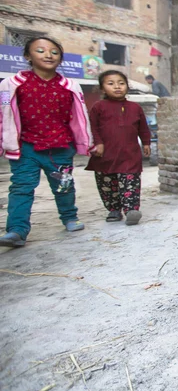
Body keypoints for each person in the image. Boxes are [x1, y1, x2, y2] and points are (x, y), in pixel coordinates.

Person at [0, 37, 93, 247]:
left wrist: (85, 142)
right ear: (27, 56)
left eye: (54, 52)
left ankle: (69, 217)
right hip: (26, 147)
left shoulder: (69, 86)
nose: (48, 55)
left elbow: (79, 116)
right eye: (40, 50)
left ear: (60, 58)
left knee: (64, 186)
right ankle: (17, 230)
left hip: (60, 147)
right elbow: (3, 114)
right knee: (21, 187)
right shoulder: (12, 84)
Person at [86, 70, 151, 225]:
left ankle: (131, 210)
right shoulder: (98, 107)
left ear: (127, 86)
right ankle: (114, 209)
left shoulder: (135, 107)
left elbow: (143, 128)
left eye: (121, 83)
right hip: (105, 154)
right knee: (107, 184)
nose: (117, 87)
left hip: (130, 153)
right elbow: (92, 127)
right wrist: (98, 143)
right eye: (111, 83)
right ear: (102, 89)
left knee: (131, 181)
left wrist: (147, 142)